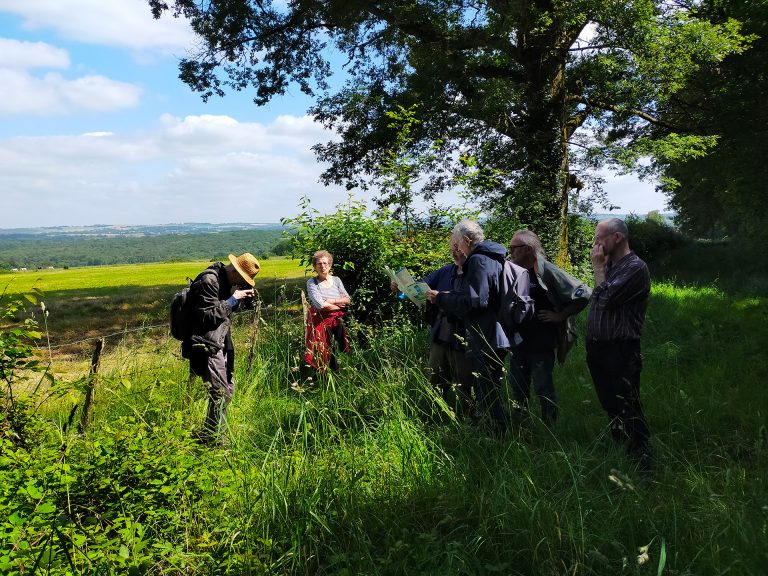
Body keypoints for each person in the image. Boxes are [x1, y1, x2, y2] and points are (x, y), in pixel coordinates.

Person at [426, 220, 521, 435]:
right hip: (495, 332)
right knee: (488, 387)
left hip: (486, 334)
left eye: (457, 243)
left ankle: (495, 435)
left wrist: (441, 298)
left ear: (467, 241)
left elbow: (476, 301)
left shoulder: (478, 260)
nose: (456, 248)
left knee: (487, 390)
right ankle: (491, 430)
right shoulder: (493, 257)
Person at [586, 218, 652, 468]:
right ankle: (621, 450)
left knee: (627, 405)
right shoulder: (610, 265)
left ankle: (643, 460)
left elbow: (605, 300)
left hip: (621, 350)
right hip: (598, 348)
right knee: (609, 403)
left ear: (618, 238)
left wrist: (598, 270)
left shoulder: (634, 267)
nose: (596, 243)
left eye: (600, 237)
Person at [507, 229, 592, 426]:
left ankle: (550, 428)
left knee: (543, 387)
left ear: (528, 249)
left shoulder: (547, 272)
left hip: (541, 341)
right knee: (518, 387)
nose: (510, 251)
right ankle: (521, 427)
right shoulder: (511, 270)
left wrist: (560, 315)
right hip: (517, 341)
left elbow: (585, 293)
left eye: (514, 248)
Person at [183, 252, 260, 446]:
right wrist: (233, 299)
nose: (242, 282)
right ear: (234, 269)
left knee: (228, 389)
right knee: (220, 392)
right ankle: (215, 440)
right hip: (205, 342)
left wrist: (242, 298)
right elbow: (207, 317)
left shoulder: (226, 281)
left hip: (221, 340)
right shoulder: (209, 281)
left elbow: (222, 312)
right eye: (242, 278)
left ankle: (210, 434)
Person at [421, 243, 472, 416]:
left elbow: (473, 301)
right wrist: (401, 289)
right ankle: (434, 416)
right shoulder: (445, 271)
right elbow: (421, 285)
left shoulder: (475, 272)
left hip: (464, 336)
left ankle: (466, 420)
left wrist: (443, 298)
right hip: (441, 333)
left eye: (459, 248)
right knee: (435, 378)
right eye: (453, 248)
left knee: (464, 382)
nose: (455, 252)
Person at [305, 250, 351, 372]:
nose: (322, 266)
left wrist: (331, 300)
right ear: (315, 266)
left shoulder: (336, 280)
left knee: (336, 349)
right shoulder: (312, 282)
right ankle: (321, 376)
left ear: (330, 265)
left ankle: (335, 373)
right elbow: (320, 304)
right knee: (320, 348)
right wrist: (338, 305)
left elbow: (347, 299)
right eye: (319, 264)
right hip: (319, 320)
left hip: (337, 320)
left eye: (325, 263)